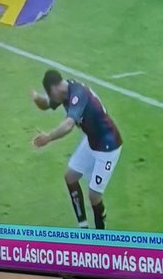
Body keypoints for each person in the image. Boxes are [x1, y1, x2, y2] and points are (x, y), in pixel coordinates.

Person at [31, 68, 123, 231]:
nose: (52, 98)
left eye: (49, 93)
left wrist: (48, 138)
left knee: (94, 195)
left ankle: (101, 237)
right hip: (92, 140)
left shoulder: (77, 94)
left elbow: (69, 124)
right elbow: (46, 104)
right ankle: (83, 228)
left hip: (108, 147)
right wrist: (37, 98)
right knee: (70, 177)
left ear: (53, 88)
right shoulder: (63, 92)